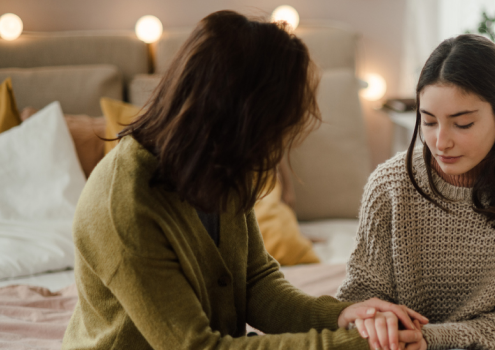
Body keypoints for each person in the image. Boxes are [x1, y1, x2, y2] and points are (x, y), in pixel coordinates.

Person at [62, 10, 427, 350]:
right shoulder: (123, 204)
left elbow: (256, 284)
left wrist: (342, 316)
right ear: (237, 118)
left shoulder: (218, 168)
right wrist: (353, 344)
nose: (278, 143)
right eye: (275, 126)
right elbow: (199, 346)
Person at [336, 34, 495, 350]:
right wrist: (375, 321)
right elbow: (360, 298)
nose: (440, 142)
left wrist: (428, 339)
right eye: (429, 122)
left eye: (462, 124)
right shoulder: (389, 186)